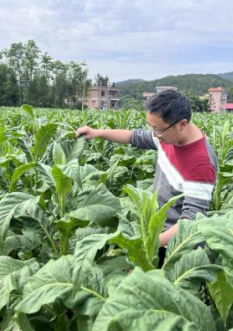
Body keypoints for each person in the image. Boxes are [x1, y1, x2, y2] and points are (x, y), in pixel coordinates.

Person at [75, 90, 217, 264]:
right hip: (157, 232)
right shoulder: (167, 136)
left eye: (157, 129)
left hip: (178, 249)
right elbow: (134, 137)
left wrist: (151, 243)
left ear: (182, 124)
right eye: (151, 127)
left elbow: (192, 221)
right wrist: (98, 132)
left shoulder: (201, 163)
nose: (153, 134)